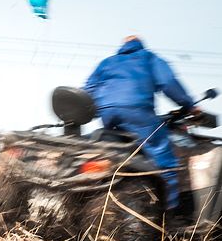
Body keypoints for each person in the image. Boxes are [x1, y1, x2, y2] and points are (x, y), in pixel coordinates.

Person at [84, 35, 200, 210]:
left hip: (107, 113)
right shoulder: (148, 58)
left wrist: (92, 110)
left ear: (123, 46)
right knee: (165, 159)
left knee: (115, 150)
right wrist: (190, 105)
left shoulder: (108, 62)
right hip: (136, 111)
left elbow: (89, 88)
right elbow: (168, 83)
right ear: (140, 45)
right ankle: (170, 212)